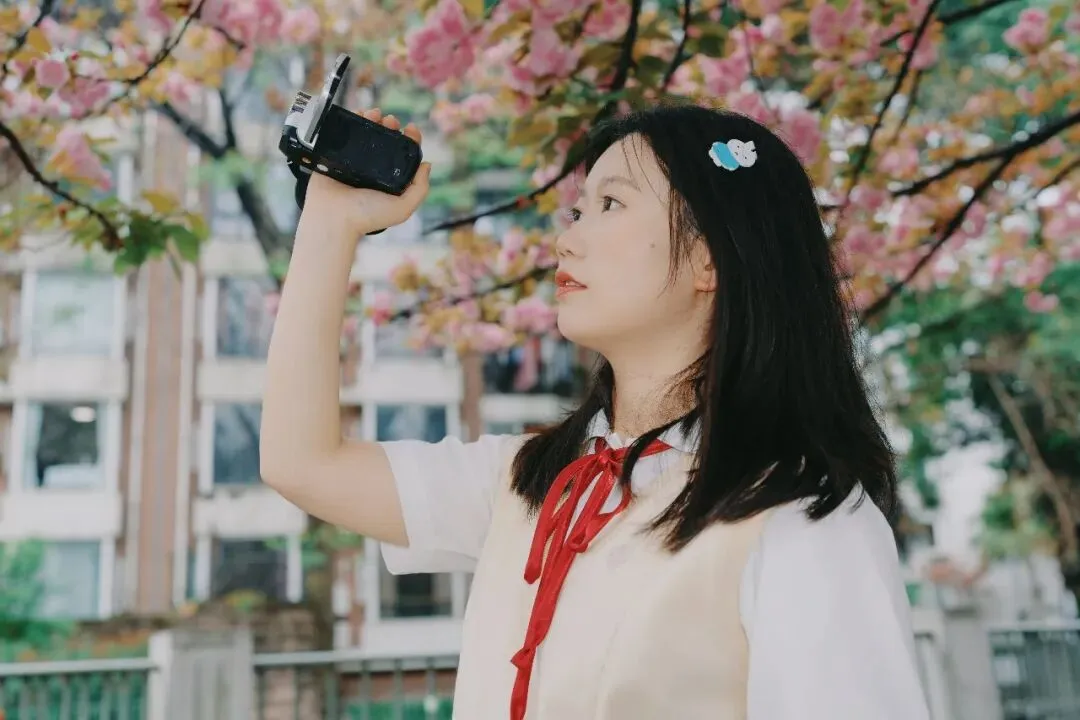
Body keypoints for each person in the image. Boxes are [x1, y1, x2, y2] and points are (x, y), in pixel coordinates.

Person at [261, 103, 932, 719]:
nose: (566, 240)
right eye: (577, 212)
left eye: (611, 203)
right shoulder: (526, 482)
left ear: (709, 258)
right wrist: (330, 220)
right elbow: (303, 462)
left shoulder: (803, 519)